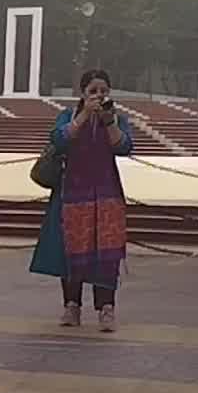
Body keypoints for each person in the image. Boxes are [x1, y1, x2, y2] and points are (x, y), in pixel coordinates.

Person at [30, 68, 135, 332]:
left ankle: (106, 309)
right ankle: (72, 305)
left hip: (106, 195)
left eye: (103, 91)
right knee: (71, 251)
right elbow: (59, 140)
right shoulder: (69, 116)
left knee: (106, 253)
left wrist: (108, 122)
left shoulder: (116, 119)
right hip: (72, 195)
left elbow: (124, 147)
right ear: (83, 93)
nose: (99, 96)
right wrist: (85, 114)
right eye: (93, 91)